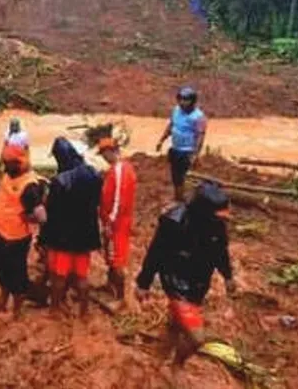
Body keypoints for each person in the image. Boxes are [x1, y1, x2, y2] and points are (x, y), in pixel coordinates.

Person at [136, 182, 236, 367]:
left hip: (199, 280)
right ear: (204, 213)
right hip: (176, 281)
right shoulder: (173, 223)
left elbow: (220, 252)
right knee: (196, 339)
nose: (224, 221)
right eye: (219, 217)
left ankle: (162, 351)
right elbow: (155, 253)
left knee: (176, 323)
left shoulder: (217, 225)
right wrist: (144, 283)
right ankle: (176, 366)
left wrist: (228, 276)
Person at [38, 137, 101, 318]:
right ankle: (84, 311)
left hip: (63, 237)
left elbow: (52, 214)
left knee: (59, 276)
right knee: (81, 276)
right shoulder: (94, 174)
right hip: (86, 234)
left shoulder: (59, 182)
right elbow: (96, 202)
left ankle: (55, 309)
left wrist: (44, 239)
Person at [0, 144, 46, 319]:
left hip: (16, 239)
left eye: (8, 163)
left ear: (18, 162)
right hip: (0, 232)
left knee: (16, 274)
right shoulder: (10, 174)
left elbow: (41, 216)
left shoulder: (29, 186)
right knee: (1, 269)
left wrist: (26, 219)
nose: (5, 166)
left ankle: (17, 311)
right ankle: (2, 301)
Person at [99, 137, 138, 304]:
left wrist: (109, 223)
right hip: (115, 220)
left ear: (111, 151)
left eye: (103, 153)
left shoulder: (120, 170)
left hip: (117, 223)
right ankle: (110, 285)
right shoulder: (117, 168)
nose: (103, 157)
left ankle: (120, 297)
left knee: (117, 259)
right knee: (111, 254)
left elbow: (118, 200)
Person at [156, 86, 207, 202]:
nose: (182, 102)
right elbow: (171, 126)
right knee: (176, 177)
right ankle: (177, 198)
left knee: (186, 178)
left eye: (186, 100)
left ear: (192, 101)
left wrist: (195, 154)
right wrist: (161, 140)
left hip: (187, 151)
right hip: (175, 149)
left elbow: (200, 136)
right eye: (181, 99)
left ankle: (185, 201)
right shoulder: (176, 110)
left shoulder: (198, 117)